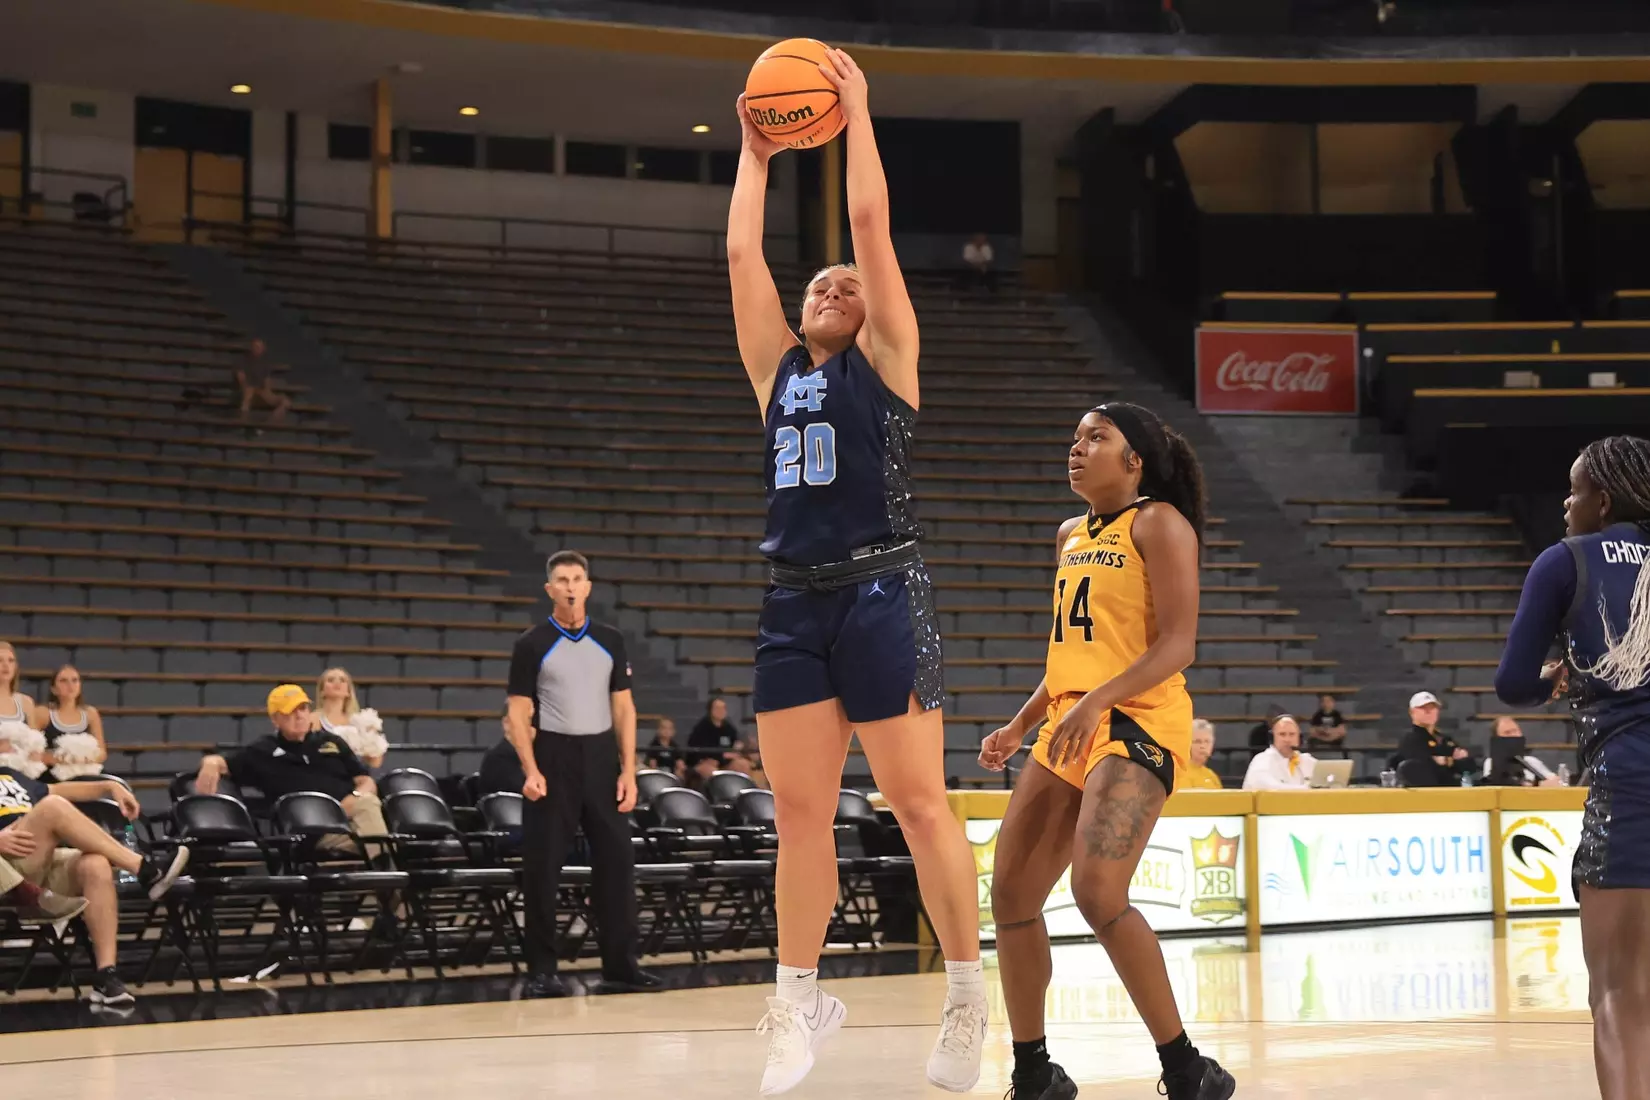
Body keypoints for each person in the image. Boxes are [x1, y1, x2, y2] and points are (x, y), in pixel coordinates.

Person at [730, 48, 986, 1095]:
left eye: (849, 283)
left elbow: (869, 224)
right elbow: (741, 253)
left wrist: (860, 112)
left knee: (918, 803)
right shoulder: (776, 370)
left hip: (884, 588)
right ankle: (798, 999)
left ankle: (967, 996)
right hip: (794, 601)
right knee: (798, 814)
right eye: (818, 283)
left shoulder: (889, 362)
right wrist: (755, 155)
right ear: (800, 313)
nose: (836, 283)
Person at [978, 402, 1233, 1100]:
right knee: (1011, 895)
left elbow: (1178, 644)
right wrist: (1020, 723)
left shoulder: (1160, 523)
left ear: (1134, 460)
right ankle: (1034, 1072)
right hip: (1072, 721)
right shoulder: (1068, 534)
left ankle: (1185, 1066)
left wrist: (1096, 702)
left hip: (1139, 720)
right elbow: (1071, 651)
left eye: (1096, 437)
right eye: (1075, 438)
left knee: (1097, 893)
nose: (1078, 447)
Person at [1493, 435, 1650, 1100]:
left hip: (1632, 783)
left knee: (1618, 992)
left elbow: (1512, 684)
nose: (1565, 502)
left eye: (1575, 489)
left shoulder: (1565, 562)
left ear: (1602, 501)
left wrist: (1551, 679)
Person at [504, 550, 660, 1000]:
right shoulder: (531, 643)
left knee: (617, 863)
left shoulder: (610, 639)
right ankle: (542, 970)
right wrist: (530, 768)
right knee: (543, 867)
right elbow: (517, 713)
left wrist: (628, 770)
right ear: (549, 589)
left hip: (601, 757)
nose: (570, 587)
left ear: (588, 587)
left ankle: (622, 966)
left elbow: (624, 708)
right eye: (562, 580)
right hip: (553, 757)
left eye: (577, 579)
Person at [0, 727, 191, 1006]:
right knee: (52, 807)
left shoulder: (12, 776)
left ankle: (106, 976)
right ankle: (144, 869)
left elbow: (62, 789)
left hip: (36, 857)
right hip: (5, 866)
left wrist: (109, 786)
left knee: (95, 864)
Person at [194, 685, 388, 855]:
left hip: (354, 821)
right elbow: (224, 763)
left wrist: (356, 797)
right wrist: (210, 762)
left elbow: (365, 780)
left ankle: (384, 869)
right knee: (379, 830)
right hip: (312, 831)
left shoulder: (332, 741)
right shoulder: (262, 751)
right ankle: (388, 872)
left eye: (303, 708)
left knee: (376, 820)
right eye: (290, 711)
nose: (299, 715)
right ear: (275, 719)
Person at [32, 665, 107, 783]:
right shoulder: (43, 713)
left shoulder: (90, 713)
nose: (70, 685)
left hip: (85, 773)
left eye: (75, 680)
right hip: (53, 777)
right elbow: (31, 752)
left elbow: (102, 752)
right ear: (53, 689)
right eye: (63, 681)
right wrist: (60, 758)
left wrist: (84, 758)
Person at [1394, 691, 1475, 786]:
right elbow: (1423, 768)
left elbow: (1470, 766)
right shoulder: (1410, 739)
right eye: (1423, 708)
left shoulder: (1445, 739)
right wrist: (1451, 760)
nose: (1429, 711)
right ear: (1412, 712)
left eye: (1432, 707)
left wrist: (1446, 761)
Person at [312, 667, 384, 768]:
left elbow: (375, 763)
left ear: (348, 691)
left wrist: (370, 743)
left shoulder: (360, 721)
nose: (337, 682)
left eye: (342, 680)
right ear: (322, 691)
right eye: (331, 680)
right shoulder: (313, 719)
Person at [1481, 715, 1564, 787]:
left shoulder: (1532, 761)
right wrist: (1538, 786)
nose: (1513, 735)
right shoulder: (1491, 762)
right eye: (1507, 732)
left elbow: (1554, 780)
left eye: (1515, 731)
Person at [1242, 715, 1315, 791]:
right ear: (1272, 737)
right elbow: (1268, 789)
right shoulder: (1261, 761)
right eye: (1282, 734)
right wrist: (1308, 789)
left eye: (1292, 734)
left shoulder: (1308, 761)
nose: (1287, 739)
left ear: (1299, 738)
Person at [236, 338, 292, 424]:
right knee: (248, 395)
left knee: (286, 401)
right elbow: (241, 379)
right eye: (255, 346)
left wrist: (267, 393)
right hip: (247, 391)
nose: (257, 349)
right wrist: (250, 389)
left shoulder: (265, 364)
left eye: (259, 347)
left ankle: (268, 424)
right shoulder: (242, 361)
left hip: (261, 391)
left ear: (263, 349)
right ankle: (243, 422)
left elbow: (267, 381)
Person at [0, 643, 39, 730]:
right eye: (0, 660)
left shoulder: (26, 702)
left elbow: (34, 737)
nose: (6, 664)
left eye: (11, 660)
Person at [1181, 719, 1223, 790]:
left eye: (1207, 741)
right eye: (1197, 742)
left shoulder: (1211, 775)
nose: (1203, 746)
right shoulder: (1180, 774)